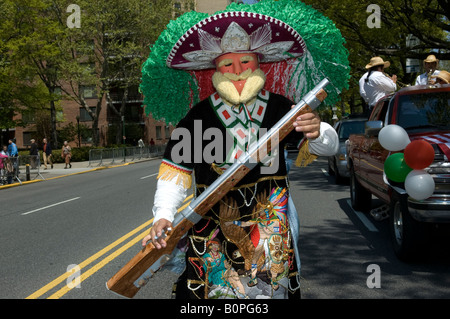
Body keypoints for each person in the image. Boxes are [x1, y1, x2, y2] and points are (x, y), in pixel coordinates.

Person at [138, 0, 349, 299]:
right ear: (216, 68)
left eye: (245, 62)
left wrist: (317, 129)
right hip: (212, 234)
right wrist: (163, 214)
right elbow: (176, 170)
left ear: (259, 64)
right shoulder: (197, 116)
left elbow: (325, 146)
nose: (237, 71)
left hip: (268, 233)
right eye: (227, 64)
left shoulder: (282, 109)